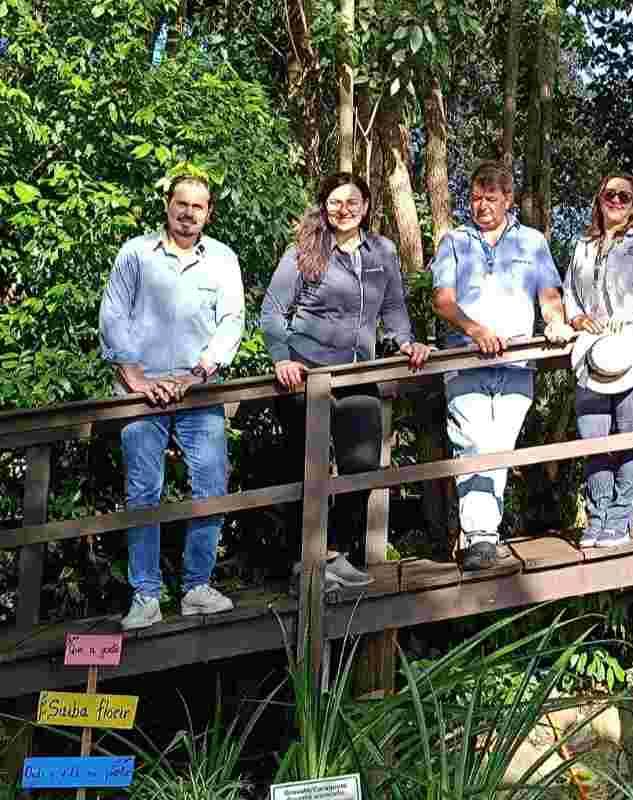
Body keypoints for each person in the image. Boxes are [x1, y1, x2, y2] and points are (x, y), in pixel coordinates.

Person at [261, 172, 432, 588]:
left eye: (352, 202)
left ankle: (335, 553)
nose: (344, 209)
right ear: (324, 207)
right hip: (306, 373)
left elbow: (392, 306)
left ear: (367, 206)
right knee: (306, 469)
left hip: (360, 372)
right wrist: (282, 359)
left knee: (362, 465)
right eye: (335, 202)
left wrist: (406, 342)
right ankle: (303, 565)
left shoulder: (382, 252)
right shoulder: (304, 251)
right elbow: (271, 311)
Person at [99, 174, 244, 631]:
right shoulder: (136, 254)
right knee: (143, 491)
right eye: (180, 204)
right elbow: (113, 314)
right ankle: (145, 595)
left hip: (198, 391)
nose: (187, 213)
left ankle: (197, 587)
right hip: (140, 395)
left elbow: (231, 322)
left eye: (197, 207)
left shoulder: (222, 259)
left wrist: (197, 374)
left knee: (211, 485)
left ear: (209, 212)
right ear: (167, 205)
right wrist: (136, 378)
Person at [431, 161, 573, 570]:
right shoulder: (454, 241)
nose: (481, 206)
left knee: (499, 447)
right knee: (472, 443)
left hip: (517, 363)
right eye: (475, 198)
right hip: (465, 358)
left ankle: (486, 533)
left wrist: (556, 322)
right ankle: (479, 537)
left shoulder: (532, 242)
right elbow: (442, 300)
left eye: (490, 198)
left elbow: (548, 293)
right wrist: (475, 331)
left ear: (508, 199)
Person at [563, 174, 633, 547]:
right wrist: (578, 319)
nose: (616, 200)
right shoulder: (583, 246)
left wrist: (632, 317)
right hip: (593, 351)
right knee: (592, 431)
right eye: (609, 194)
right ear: (599, 200)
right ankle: (596, 518)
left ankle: (619, 519)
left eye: (624, 196)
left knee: (630, 429)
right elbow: (569, 298)